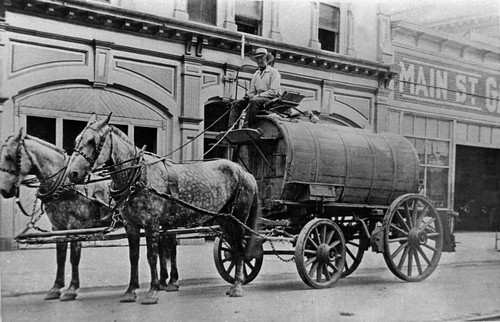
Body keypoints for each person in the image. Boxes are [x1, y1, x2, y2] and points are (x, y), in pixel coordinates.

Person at [228, 47, 281, 129]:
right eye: (257, 59)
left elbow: (273, 92)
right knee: (236, 103)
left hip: (271, 100)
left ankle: (248, 126)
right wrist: (249, 96)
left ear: (267, 59)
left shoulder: (274, 72)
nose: (259, 61)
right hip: (257, 99)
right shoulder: (256, 74)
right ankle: (231, 128)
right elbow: (252, 92)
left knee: (253, 101)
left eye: (261, 58)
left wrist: (256, 96)